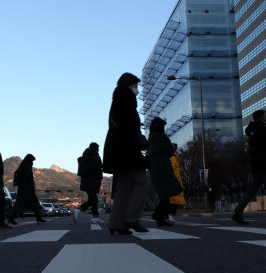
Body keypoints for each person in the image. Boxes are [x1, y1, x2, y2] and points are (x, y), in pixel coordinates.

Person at [103, 73, 150, 235]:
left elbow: (120, 122)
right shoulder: (127, 98)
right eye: (135, 86)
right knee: (143, 181)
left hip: (116, 150)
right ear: (129, 85)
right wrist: (140, 138)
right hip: (127, 150)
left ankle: (116, 223)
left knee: (123, 188)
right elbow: (128, 124)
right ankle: (132, 218)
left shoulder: (116, 99)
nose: (137, 89)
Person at [148, 118, 183, 227]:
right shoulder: (162, 137)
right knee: (173, 191)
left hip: (154, 168)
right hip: (164, 167)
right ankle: (159, 215)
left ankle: (159, 216)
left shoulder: (151, 138)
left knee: (164, 194)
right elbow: (170, 150)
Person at [10, 154, 46, 224]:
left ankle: (11, 218)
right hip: (27, 190)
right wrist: (31, 188)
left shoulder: (22, 166)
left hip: (22, 189)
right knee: (35, 204)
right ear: (30, 160)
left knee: (19, 204)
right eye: (32, 161)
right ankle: (39, 218)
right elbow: (29, 179)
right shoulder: (27, 167)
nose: (32, 163)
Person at [73, 143, 104, 224]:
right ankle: (78, 209)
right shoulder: (96, 157)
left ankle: (95, 217)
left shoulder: (84, 158)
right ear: (96, 149)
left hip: (85, 182)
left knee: (93, 199)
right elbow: (99, 169)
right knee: (94, 200)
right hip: (93, 182)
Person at [168, 145, 185, 222]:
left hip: (175, 180)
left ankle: (169, 215)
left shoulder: (174, 157)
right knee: (174, 199)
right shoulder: (172, 157)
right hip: (174, 180)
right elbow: (172, 169)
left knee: (175, 199)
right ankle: (169, 214)